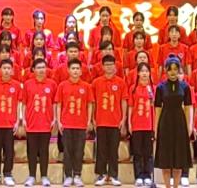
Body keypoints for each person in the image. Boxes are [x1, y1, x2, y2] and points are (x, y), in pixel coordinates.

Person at [154, 56, 193, 188]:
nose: (173, 72)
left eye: (175, 69)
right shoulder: (160, 88)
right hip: (165, 123)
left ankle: (176, 186)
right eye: (170, 69)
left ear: (179, 70)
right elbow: (158, 109)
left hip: (180, 123)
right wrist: (156, 129)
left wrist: (188, 126)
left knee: (178, 159)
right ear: (166, 70)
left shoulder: (185, 87)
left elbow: (187, 108)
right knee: (165, 159)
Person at [57, 57, 94, 187]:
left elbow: (89, 104)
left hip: (81, 124)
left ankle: (77, 175)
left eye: (78, 68)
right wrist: (59, 121)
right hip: (66, 124)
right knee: (67, 151)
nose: (75, 71)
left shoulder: (86, 86)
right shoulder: (62, 86)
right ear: (68, 70)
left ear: (81, 71)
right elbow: (59, 104)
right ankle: (68, 175)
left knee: (79, 150)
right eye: (73, 68)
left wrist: (89, 121)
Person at [93, 55, 127, 186]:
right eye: (106, 64)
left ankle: (113, 175)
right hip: (101, 121)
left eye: (111, 64)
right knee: (101, 149)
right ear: (102, 66)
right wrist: (92, 119)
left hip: (115, 122)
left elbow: (123, 101)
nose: (109, 67)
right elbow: (93, 102)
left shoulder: (120, 82)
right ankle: (101, 175)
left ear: (115, 66)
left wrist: (123, 119)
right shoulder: (96, 82)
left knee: (113, 149)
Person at [23, 58, 58, 187]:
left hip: (46, 123)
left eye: (43, 67)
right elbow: (24, 103)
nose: (41, 70)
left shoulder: (52, 84)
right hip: (31, 123)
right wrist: (23, 119)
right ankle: (31, 176)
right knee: (31, 151)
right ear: (33, 69)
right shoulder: (27, 84)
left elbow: (54, 103)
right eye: (38, 67)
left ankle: (44, 176)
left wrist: (54, 119)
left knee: (44, 151)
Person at [129, 63, 157, 187]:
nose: (144, 73)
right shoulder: (133, 88)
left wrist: (155, 126)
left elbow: (156, 109)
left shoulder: (153, 89)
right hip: (136, 125)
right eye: (142, 71)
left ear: (149, 73)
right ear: (138, 73)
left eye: (146, 71)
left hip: (149, 125)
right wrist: (129, 123)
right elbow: (130, 107)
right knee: (137, 152)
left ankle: (147, 175)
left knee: (148, 153)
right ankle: (139, 176)